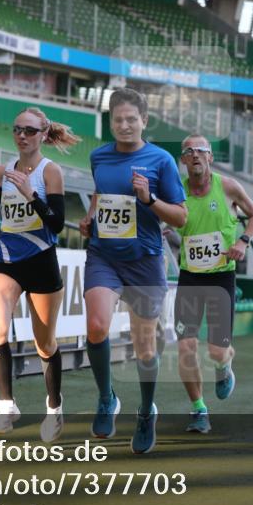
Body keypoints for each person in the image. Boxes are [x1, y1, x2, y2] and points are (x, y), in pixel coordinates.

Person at [79, 88, 187, 454]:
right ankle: (107, 398)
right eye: (117, 120)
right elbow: (100, 193)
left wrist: (149, 200)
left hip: (144, 261)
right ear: (110, 122)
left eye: (131, 119)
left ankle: (145, 411)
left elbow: (181, 216)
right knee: (96, 326)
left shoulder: (161, 161)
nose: (124, 126)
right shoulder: (99, 157)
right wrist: (91, 216)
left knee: (144, 347)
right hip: (104, 255)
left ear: (144, 121)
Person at [0, 107, 80, 441]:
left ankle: (54, 406)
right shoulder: (2, 171)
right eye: (17, 129)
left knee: (44, 341)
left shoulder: (50, 172)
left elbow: (55, 225)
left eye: (29, 130)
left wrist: (30, 194)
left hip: (40, 258)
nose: (22, 135)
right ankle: (7, 404)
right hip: (7, 258)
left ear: (42, 135)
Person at [173, 134, 253, 434]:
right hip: (190, 277)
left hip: (222, 275)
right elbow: (168, 220)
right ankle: (198, 409)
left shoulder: (228, 187)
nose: (195, 155)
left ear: (210, 157)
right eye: (189, 151)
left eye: (201, 150)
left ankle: (225, 365)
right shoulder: (177, 191)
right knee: (185, 346)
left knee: (215, 351)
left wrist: (243, 241)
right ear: (183, 160)